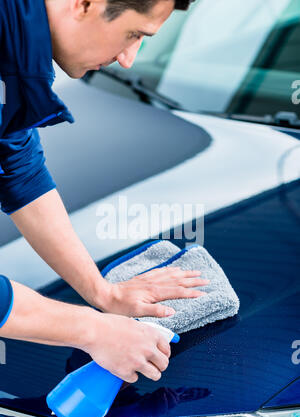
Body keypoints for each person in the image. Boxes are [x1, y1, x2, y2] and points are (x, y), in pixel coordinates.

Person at [0, 0, 207, 385]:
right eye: (133, 35)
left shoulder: (11, 49)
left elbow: (18, 170)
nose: (128, 60)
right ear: (84, 3)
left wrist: (102, 293)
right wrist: (92, 330)